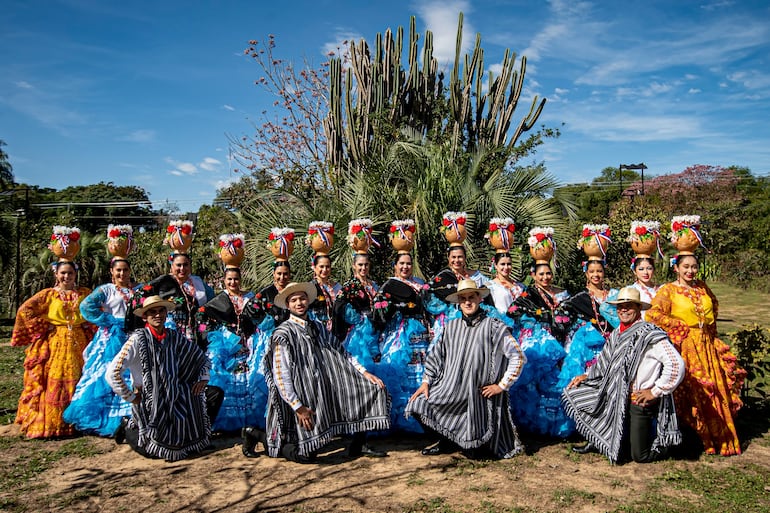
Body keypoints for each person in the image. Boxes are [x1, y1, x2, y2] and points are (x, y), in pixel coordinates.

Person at [243, 282, 391, 462]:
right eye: (294, 300)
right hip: (302, 397)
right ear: (288, 305)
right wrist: (298, 407)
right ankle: (256, 435)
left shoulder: (318, 327)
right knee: (305, 455)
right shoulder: (283, 333)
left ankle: (358, 445)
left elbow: (340, 352)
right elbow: (281, 376)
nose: (299, 303)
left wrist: (364, 373)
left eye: (302, 298)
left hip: (322, 389)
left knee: (373, 388)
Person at [406, 279, 526, 459]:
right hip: (450, 388)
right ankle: (447, 441)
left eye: (471, 297)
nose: (468, 302)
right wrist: (425, 382)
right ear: (458, 303)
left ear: (479, 298)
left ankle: (474, 443)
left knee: (476, 455)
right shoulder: (451, 327)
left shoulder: (494, 326)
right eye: (463, 298)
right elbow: (436, 355)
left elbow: (518, 357)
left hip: (478, 396)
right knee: (417, 403)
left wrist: (501, 386)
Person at [563, 287, 685, 463]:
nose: (624, 310)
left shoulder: (650, 334)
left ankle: (666, 446)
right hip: (616, 393)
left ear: (637, 309)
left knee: (639, 456)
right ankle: (598, 441)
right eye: (620, 306)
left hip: (638, 398)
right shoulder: (617, 333)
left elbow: (676, 364)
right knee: (581, 392)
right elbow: (605, 362)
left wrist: (655, 391)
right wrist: (587, 376)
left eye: (629, 306)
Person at [646, 253, 746, 456]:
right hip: (684, 346)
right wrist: (679, 327)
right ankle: (691, 439)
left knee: (716, 390)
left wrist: (710, 335)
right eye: (685, 267)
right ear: (676, 268)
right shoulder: (668, 290)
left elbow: (714, 309)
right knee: (692, 390)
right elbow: (653, 314)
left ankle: (720, 437)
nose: (690, 271)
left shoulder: (702, 288)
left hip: (707, 346)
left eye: (693, 267)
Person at [107, 295, 211, 461]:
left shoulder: (173, 336)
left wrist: (203, 377)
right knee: (153, 452)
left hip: (175, 394)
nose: (158, 315)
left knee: (212, 394)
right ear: (145, 317)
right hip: (149, 400)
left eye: (161, 311)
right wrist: (131, 397)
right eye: (152, 312)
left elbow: (198, 356)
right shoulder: (137, 340)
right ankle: (129, 427)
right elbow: (113, 372)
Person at [11, 260, 95, 438]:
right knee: (56, 379)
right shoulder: (48, 295)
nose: (66, 276)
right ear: (56, 274)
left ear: (75, 274)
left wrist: (88, 326)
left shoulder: (85, 293)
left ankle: (80, 422)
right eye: (63, 273)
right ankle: (55, 424)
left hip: (81, 342)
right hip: (57, 342)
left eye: (70, 273)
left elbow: (97, 310)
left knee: (82, 377)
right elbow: (25, 310)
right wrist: (44, 325)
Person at [62, 257, 134, 436]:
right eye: (118, 270)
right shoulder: (106, 290)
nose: (122, 273)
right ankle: (106, 420)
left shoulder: (139, 290)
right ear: (112, 271)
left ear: (130, 271)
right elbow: (86, 306)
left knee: (131, 376)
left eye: (125, 270)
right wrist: (108, 321)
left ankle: (129, 418)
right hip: (111, 338)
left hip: (132, 336)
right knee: (106, 375)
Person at [506, 262, 572, 437]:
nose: (545, 278)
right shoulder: (528, 295)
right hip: (540, 346)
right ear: (533, 275)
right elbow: (513, 311)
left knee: (555, 382)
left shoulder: (561, 294)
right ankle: (533, 425)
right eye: (541, 274)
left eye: (548, 274)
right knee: (536, 384)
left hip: (559, 341)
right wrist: (537, 321)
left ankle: (553, 424)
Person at [371, 252, 431, 432]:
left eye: (408, 263)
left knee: (420, 372)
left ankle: (421, 416)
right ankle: (399, 419)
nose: (405, 267)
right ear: (395, 266)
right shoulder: (389, 286)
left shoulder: (420, 283)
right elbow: (379, 314)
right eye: (401, 264)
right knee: (401, 371)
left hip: (420, 335)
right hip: (399, 335)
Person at [197, 267, 262, 433]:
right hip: (227, 346)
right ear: (224, 281)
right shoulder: (219, 299)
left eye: (236, 279)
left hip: (249, 344)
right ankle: (230, 419)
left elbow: (260, 316)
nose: (233, 282)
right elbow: (203, 319)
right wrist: (218, 337)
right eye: (229, 279)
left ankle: (249, 418)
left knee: (250, 378)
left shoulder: (250, 296)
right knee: (230, 379)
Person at [334, 253, 379, 370]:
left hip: (376, 327)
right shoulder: (350, 285)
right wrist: (357, 318)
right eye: (360, 265)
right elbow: (339, 305)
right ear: (354, 266)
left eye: (366, 265)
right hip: (359, 331)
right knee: (362, 360)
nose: (363, 268)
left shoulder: (374, 285)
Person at [308, 254, 342, 331]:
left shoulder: (337, 287)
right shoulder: (310, 288)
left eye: (327, 266)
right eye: (321, 266)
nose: (325, 269)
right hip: (318, 330)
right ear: (314, 267)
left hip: (336, 329)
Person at [258, 260, 292, 325]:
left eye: (285, 274)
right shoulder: (265, 293)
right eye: (279, 274)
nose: (282, 277)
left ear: (289, 274)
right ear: (274, 274)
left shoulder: (295, 291)